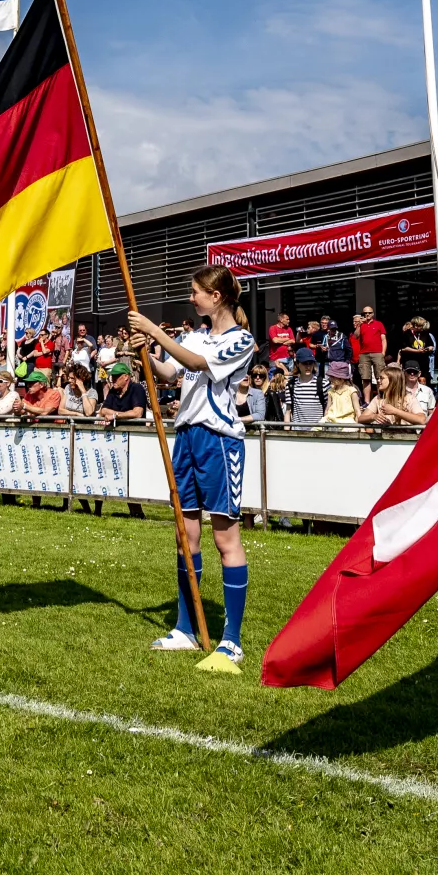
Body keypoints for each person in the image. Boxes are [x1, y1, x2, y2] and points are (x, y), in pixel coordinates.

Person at [126, 264, 257, 671]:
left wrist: (154, 330)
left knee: (225, 539)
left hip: (218, 441)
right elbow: (171, 372)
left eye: (196, 292)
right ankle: (185, 628)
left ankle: (231, 640)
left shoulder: (241, 340)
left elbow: (199, 364)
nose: (191, 297)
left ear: (216, 296)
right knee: (186, 535)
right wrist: (143, 352)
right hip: (186, 437)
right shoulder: (194, 335)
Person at [358, 362, 426, 427]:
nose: (378, 381)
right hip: (385, 438)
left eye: (382, 378)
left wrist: (395, 411)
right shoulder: (379, 398)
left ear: (393, 380)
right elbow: (361, 418)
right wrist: (373, 416)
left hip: (406, 437)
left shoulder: (408, 398)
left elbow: (422, 420)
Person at [285, 357, 325, 425]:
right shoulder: (291, 385)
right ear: (297, 364)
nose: (308, 366)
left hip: (318, 431)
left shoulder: (323, 383)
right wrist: (287, 431)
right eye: (304, 363)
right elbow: (288, 411)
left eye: (310, 363)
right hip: (297, 432)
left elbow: (328, 410)